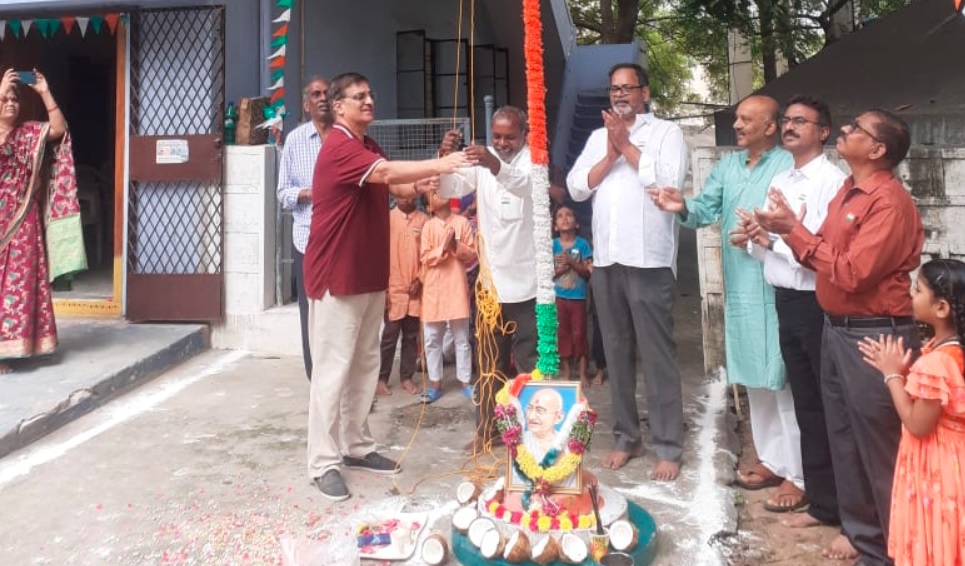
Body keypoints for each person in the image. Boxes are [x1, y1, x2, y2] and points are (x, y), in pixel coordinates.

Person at [755, 108, 924, 566]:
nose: (845, 130)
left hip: (874, 336)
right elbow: (823, 257)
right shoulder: (849, 192)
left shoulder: (888, 201)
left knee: (879, 447)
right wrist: (788, 231)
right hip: (837, 327)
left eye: (855, 129)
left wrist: (795, 232)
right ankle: (864, 537)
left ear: (877, 150)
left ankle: (897, 546)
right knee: (844, 438)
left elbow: (853, 273)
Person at [303, 72, 471, 502]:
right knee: (332, 372)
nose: (369, 101)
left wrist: (424, 180)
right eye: (359, 96)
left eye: (370, 93)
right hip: (336, 278)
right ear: (338, 107)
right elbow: (389, 172)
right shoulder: (339, 146)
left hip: (368, 276)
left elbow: (393, 183)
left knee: (363, 368)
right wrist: (441, 165)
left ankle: (356, 446)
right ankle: (323, 462)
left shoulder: (366, 145)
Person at [567, 63, 689, 480]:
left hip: (649, 260)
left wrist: (628, 147)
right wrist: (611, 152)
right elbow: (577, 186)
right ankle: (626, 436)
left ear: (645, 92)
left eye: (628, 88)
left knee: (657, 355)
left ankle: (669, 444)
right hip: (606, 261)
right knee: (615, 352)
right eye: (614, 89)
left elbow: (668, 182)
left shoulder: (667, 134)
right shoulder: (599, 137)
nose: (620, 95)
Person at [733, 95, 846, 520]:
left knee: (822, 399)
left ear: (823, 132)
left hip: (814, 300)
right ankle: (819, 496)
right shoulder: (782, 177)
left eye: (803, 121)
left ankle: (831, 496)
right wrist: (757, 240)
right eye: (788, 120)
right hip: (784, 296)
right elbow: (778, 246)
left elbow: (816, 246)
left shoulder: (830, 181)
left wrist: (774, 238)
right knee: (804, 400)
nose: (791, 126)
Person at [437, 106, 538, 455]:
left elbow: (524, 186)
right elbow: (450, 188)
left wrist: (494, 164)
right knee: (488, 366)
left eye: (510, 137)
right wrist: (446, 156)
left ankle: (535, 435)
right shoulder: (484, 161)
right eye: (497, 137)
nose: (503, 143)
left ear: (524, 134)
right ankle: (487, 431)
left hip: (528, 288)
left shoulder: (533, 161)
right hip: (491, 287)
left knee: (531, 366)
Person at [857, 259, 965, 566]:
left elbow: (918, 424)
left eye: (917, 290)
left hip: (938, 467)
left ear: (941, 308)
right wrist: (908, 377)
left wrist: (892, 375)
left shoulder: (936, 363)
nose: (910, 294)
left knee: (936, 534)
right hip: (957, 461)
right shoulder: (950, 351)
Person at [0, 68, 79, 375]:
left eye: (14, 99)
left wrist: (44, 91)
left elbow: (59, 130)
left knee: (17, 285)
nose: (10, 103)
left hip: (21, 223)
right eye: (4, 98)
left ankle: (17, 346)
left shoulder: (28, 134)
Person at [277, 76, 332, 380]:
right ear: (307, 103)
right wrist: (308, 193)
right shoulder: (295, 141)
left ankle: (341, 377)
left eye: (327, 93)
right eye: (316, 94)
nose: (322, 98)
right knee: (310, 310)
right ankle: (316, 377)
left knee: (339, 310)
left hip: (341, 240)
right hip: (307, 240)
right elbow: (282, 193)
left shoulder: (344, 136)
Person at [419, 189, 477, 403]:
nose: (438, 194)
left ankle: (465, 382)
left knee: (462, 338)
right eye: (432, 194)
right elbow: (425, 257)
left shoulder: (461, 222)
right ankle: (435, 383)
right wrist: (442, 249)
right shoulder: (428, 226)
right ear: (429, 207)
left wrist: (454, 246)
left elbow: (471, 254)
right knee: (432, 339)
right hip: (434, 288)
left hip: (456, 286)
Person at [377, 188, 428, 396]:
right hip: (393, 289)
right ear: (395, 196)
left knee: (411, 336)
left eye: (410, 194)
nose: (406, 198)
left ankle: (407, 377)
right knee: (389, 337)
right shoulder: (387, 220)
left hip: (415, 289)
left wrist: (420, 279)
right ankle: (381, 379)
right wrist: (385, 290)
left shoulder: (424, 221)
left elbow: (427, 255)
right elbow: (379, 256)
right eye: (402, 194)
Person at [552, 205, 592, 386]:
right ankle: (567, 373)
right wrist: (562, 269)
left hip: (578, 298)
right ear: (555, 226)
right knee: (563, 334)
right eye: (560, 216)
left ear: (576, 223)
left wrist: (571, 263)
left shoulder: (582, 244)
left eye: (569, 215)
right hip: (559, 297)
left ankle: (583, 374)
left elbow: (587, 272)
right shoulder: (552, 245)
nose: (564, 218)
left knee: (580, 334)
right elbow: (547, 274)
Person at [512, 387, 578, 488]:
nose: (531, 416)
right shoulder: (520, 440)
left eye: (540, 410)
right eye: (529, 409)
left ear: (558, 417)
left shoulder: (569, 443)